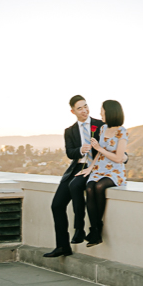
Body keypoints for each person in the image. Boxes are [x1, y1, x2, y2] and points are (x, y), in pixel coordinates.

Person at [43, 95, 103, 258]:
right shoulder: (69, 131)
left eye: (86, 106)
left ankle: (79, 229)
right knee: (56, 205)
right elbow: (70, 153)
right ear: (72, 111)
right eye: (79, 108)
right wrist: (80, 150)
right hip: (76, 167)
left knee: (75, 186)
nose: (84, 110)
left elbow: (107, 148)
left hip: (94, 168)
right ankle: (63, 246)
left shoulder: (100, 125)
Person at [78, 100, 128, 247]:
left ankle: (96, 229)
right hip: (99, 168)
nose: (100, 114)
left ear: (110, 113)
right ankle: (95, 230)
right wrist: (91, 167)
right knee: (89, 187)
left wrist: (99, 148)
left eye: (103, 111)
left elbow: (119, 158)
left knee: (99, 187)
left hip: (114, 170)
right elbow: (99, 156)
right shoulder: (103, 128)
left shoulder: (122, 132)